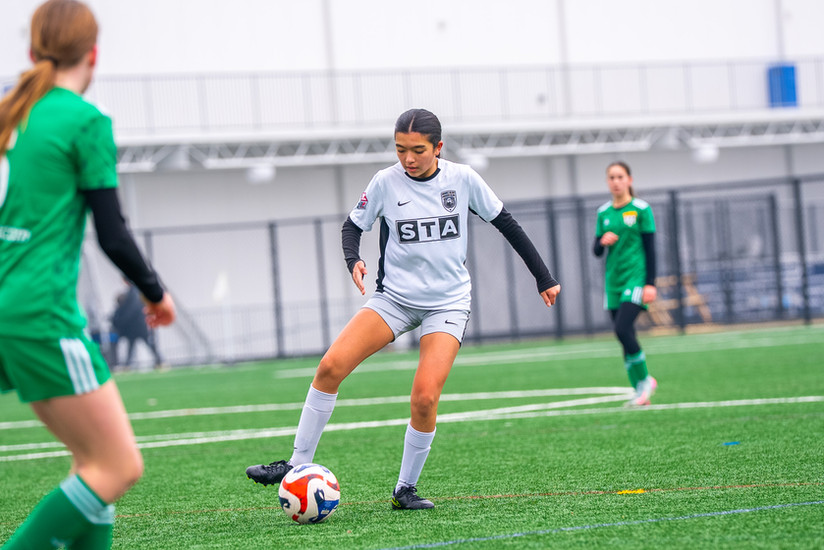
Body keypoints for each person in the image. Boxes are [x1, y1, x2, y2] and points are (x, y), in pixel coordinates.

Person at [246, 108, 561, 510]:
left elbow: (507, 223)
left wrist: (543, 277)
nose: (408, 159)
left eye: (417, 150)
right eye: (400, 150)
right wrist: (353, 259)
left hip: (447, 303)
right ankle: (295, 464)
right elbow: (352, 225)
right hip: (393, 300)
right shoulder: (385, 182)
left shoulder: (463, 179)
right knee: (330, 367)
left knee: (424, 398)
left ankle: (404, 490)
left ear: (438, 147)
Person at [0, 1, 176, 548]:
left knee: (92, 464)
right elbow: (113, 233)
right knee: (118, 467)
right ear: (93, 54)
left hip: (10, 307)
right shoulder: (84, 121)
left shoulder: (12, 113)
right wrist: (156, 293)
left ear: (33, 50)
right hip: (39, 312)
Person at [593, 161, 657, 407]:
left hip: (635, 279)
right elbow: (596, 250)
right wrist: (602, 241)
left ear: (629, 180)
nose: (616, 182)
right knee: (624, 335)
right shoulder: (603, 212)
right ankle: (638, 388)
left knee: (622, 328)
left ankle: (645, 381)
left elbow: (651, 249)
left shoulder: (641, 209)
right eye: (612, 177)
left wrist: (650, 284)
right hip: (614, 282)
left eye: (620, 177)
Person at [111, 279, 166, 370]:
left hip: (138, 325)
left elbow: (132, 309)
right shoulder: (135, 291)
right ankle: (128, 364)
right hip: (137, 325)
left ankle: (160, 361)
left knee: (146, 343)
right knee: (134, 344)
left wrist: (122, 320)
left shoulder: (134, 292)